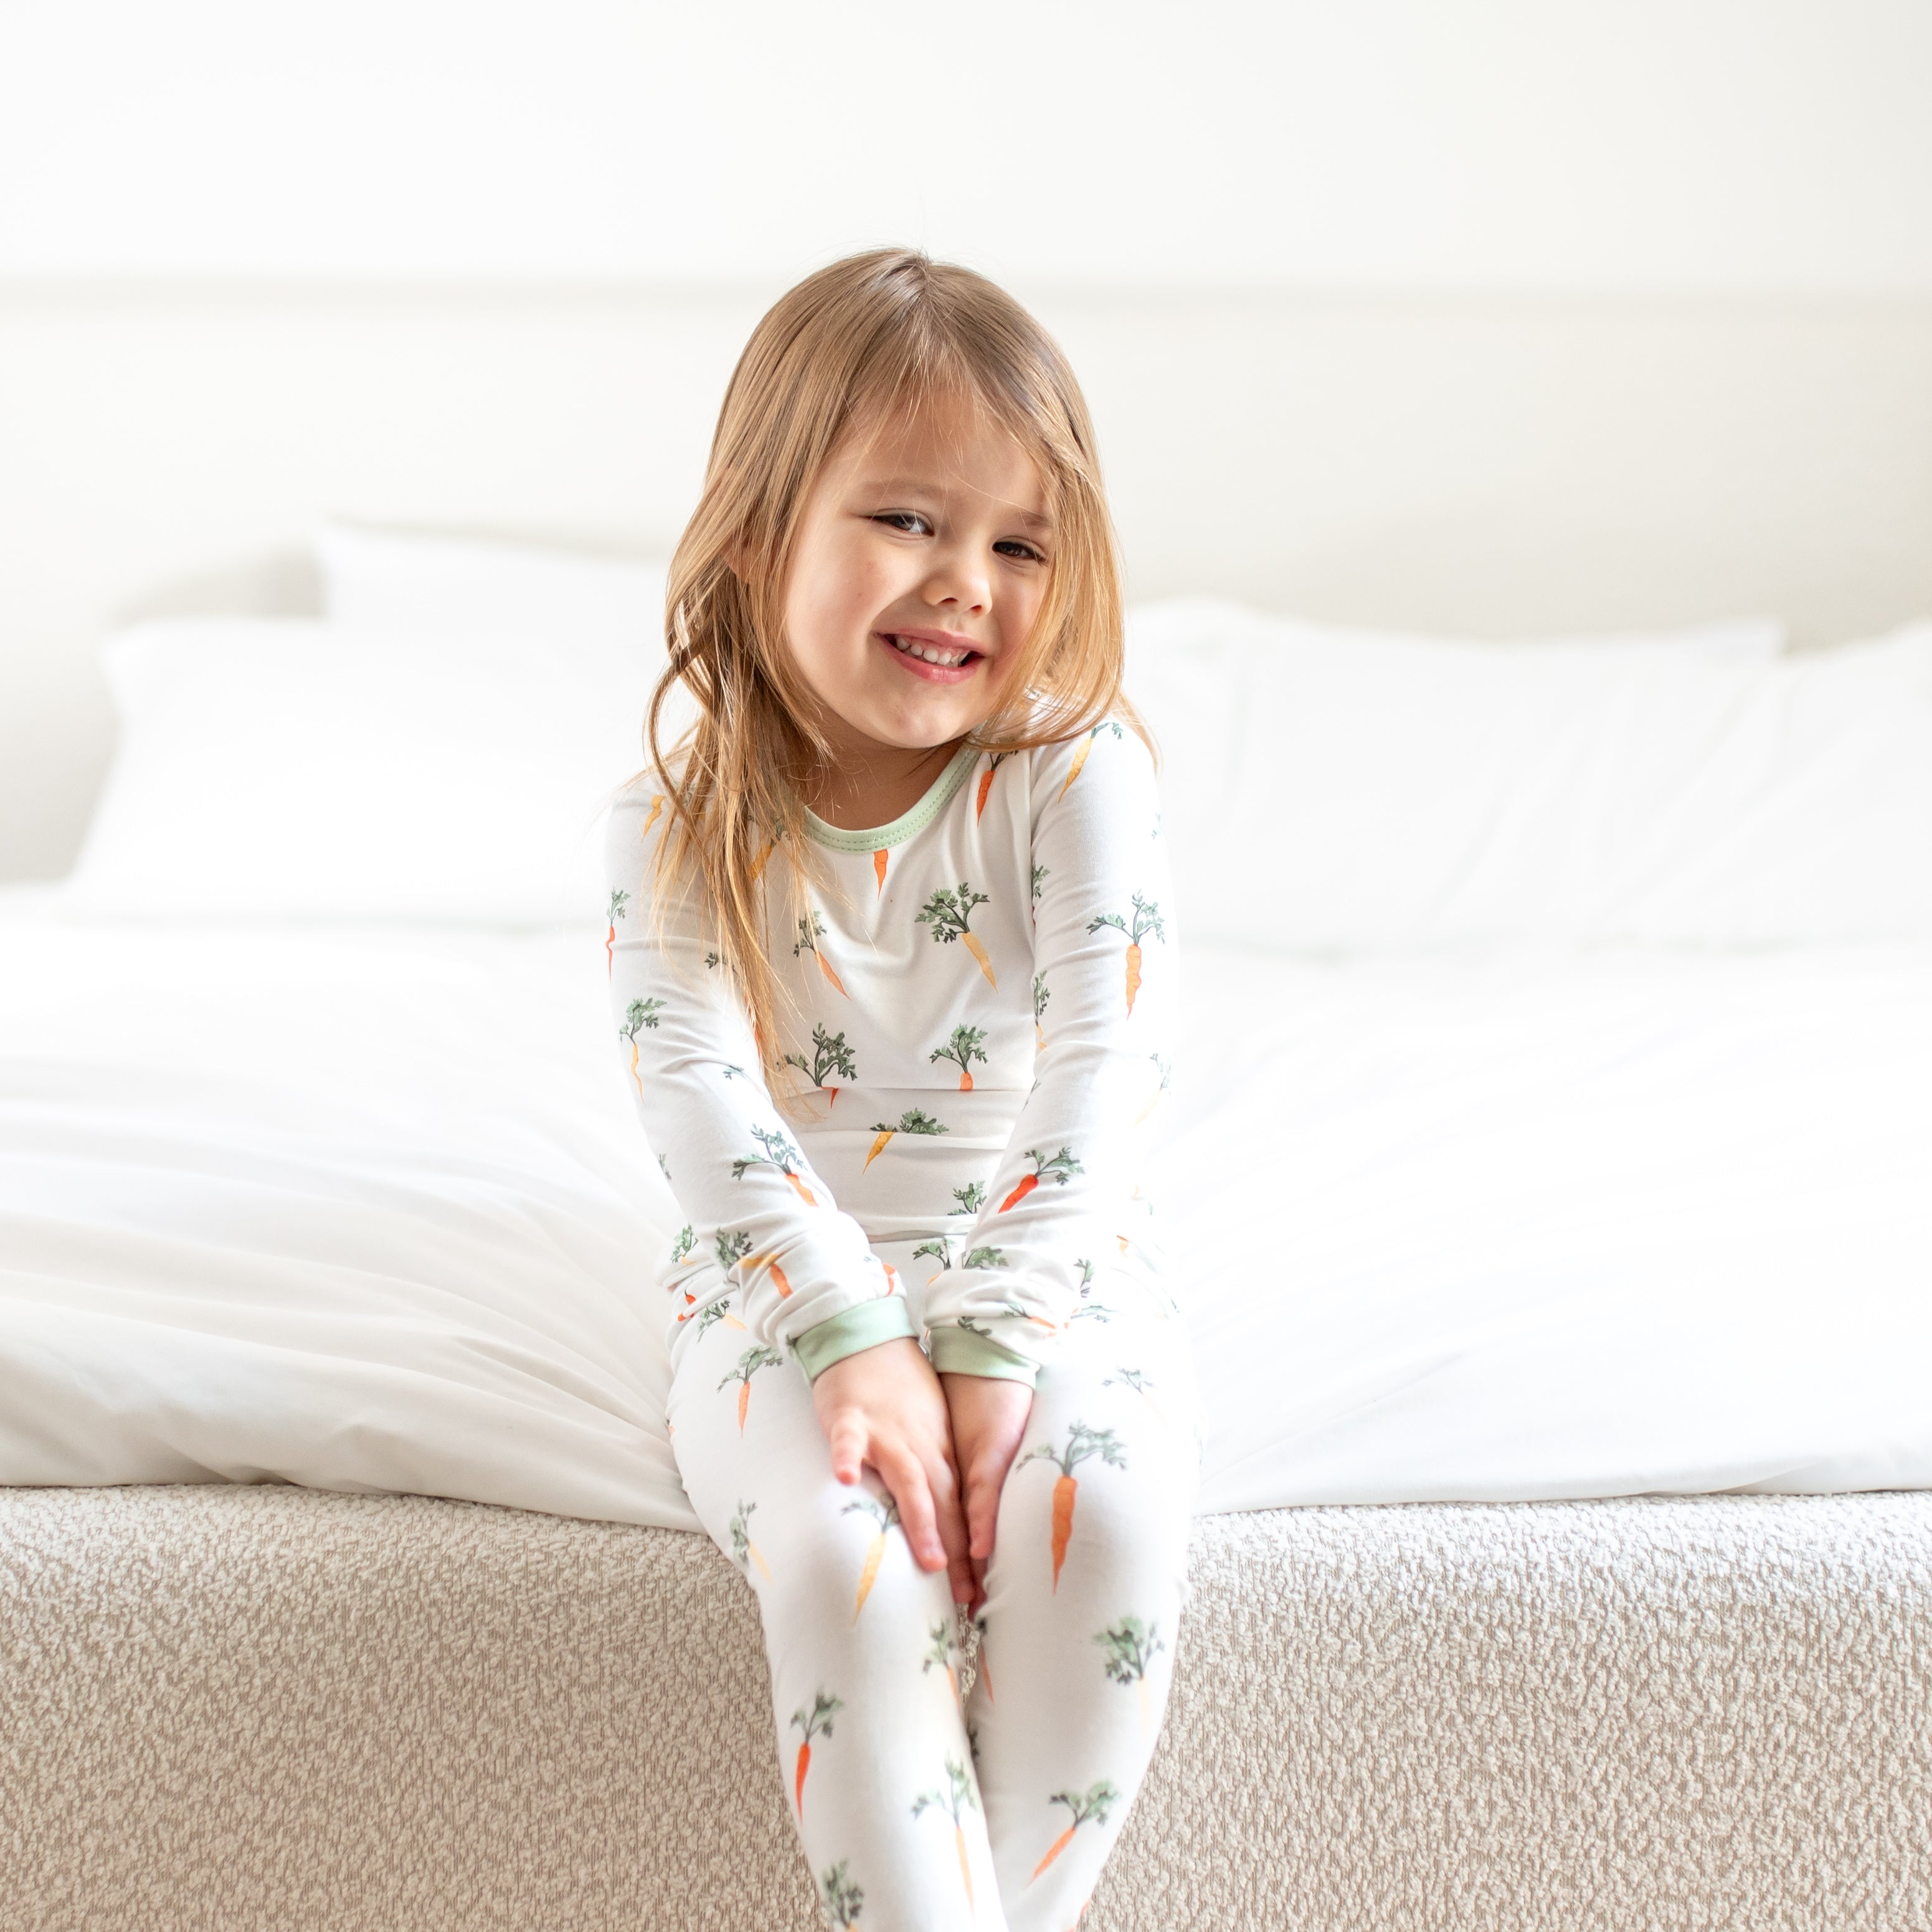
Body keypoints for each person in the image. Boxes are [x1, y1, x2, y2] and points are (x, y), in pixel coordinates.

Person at [605, 247, 1198, 1932]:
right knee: (846, 1569)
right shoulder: (668, 827)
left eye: (1019, 543)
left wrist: (996, 1336)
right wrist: (855, 1339)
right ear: (752, 532)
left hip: (1051, 1260)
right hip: (786, 1289)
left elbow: (1114, 1064)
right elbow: (699, 1099)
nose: (967, 582)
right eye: (909, 521)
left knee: (1100, 1529)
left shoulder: (1075, 776)